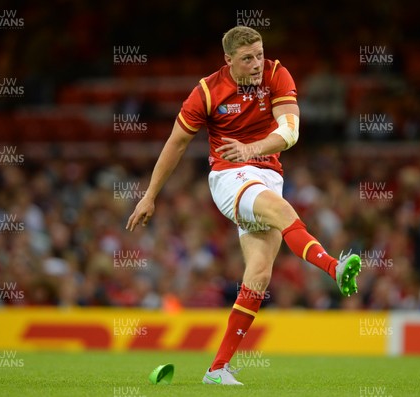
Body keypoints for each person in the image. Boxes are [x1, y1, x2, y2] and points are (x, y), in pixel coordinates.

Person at [125, 26, 361, 386]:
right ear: (229, 59)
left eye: (259, 54)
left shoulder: (277, 74)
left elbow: (291, 132)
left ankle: (216, 369)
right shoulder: (206, 92)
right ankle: (334, 267)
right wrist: (150, 194)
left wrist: (252, 149)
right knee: (284, 214)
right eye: (247, 58)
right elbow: (176, 144)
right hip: (229, 177)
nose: (256, 64)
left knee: (259, 275)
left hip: (268, 173)